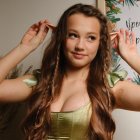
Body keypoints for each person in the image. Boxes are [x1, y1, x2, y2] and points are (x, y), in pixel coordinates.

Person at [0, 3, 140, 140]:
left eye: (91, 38)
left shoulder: (109, 88)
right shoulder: (40, 82)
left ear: (100, 43)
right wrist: (23, 48)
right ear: (61, 37)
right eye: (73, 35)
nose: (80, 46)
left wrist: (133, 57)